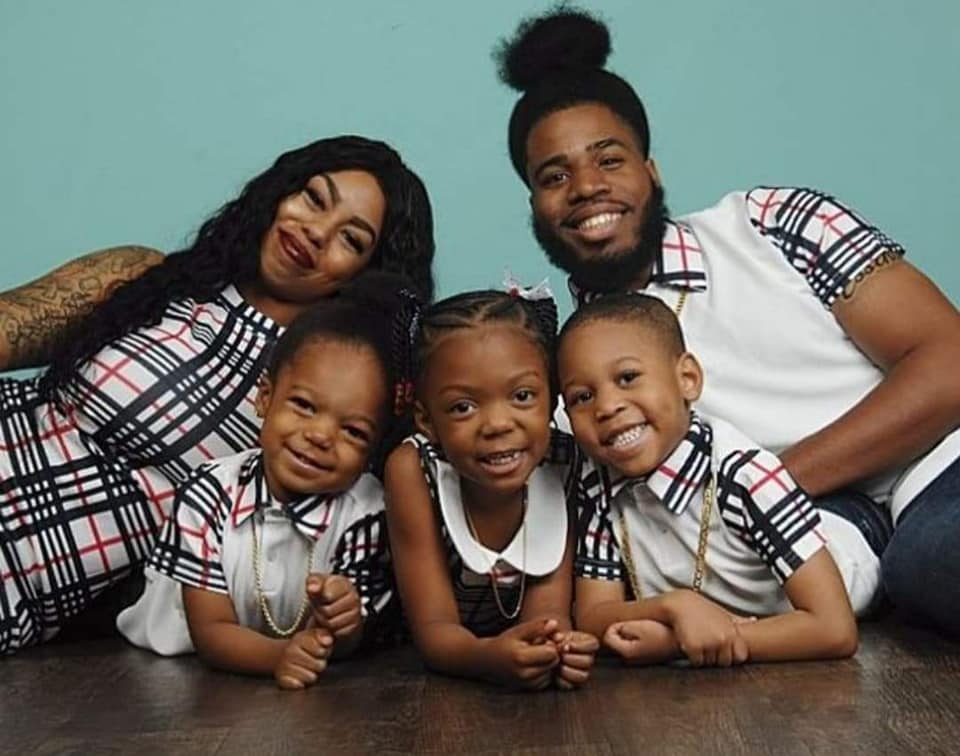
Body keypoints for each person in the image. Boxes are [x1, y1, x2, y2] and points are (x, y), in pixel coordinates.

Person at [494, 9, 960, 637]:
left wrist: (769, 486)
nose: (585, 188)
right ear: (533, 207)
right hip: (830, 538)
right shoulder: (578, 379)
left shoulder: (772, 224)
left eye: (609, 160)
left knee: (932, 560)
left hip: (937, 463)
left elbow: (949, 357)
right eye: (554, 176)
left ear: (650, 170)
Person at [0, 135, 435, 654]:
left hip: (20, 580)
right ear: (278, 193)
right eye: (313, 198)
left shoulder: (346, 394)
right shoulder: (144, 277)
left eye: (352, 240)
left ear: (369, 274)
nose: (315, 232)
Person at [116, 272, 419, 689]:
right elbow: (210, 632)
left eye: (353, 432)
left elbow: (337, 643)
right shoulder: (208, 493)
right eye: (303, 405)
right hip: (176, 655)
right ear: (264, 397)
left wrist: (344, 618)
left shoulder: (369, 511)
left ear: (373, 448)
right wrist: (279, 656)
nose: (319, 436)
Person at [561, 293, 889, 665]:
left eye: (628, 377)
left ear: (688, 379)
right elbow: (592, 618)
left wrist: (677, 643)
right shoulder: (596, 484)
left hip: (846, 546)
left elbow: (833, 630)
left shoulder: (745, 478)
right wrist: (674, 607)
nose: (606, 407)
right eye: (582, 397)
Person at [384, 288, 598, 690]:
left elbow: (549, 610)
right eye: (463, 406)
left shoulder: (565, 461)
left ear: (551, 400)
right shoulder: (413, 469)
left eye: (522, 396)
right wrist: (489, 658)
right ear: (426, 421)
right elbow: (434, 630)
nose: (498, 423)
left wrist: (554, 648)